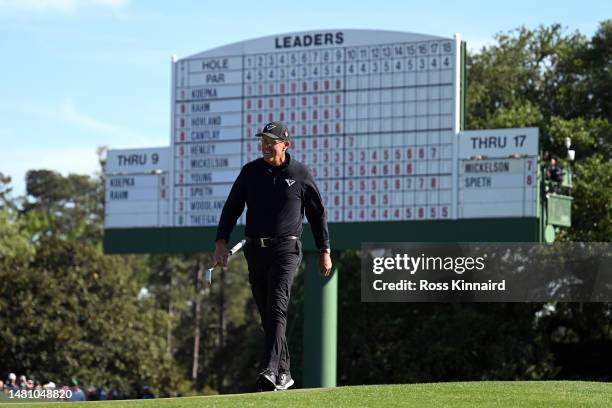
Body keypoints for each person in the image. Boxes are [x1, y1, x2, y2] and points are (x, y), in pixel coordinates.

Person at [215, 121, 332, 391]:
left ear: (285, 145)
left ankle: (269, 369)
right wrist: (221, 243)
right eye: (263, 142)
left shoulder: (300, 173)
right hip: (255, 250)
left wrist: (324, 250)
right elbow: (232, 208)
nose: (266, 147)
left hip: (286, 250)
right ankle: (284, 372)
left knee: (277, 307)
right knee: (267, 314)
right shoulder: (250, 172)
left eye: (272, 142)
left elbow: (317, 214)